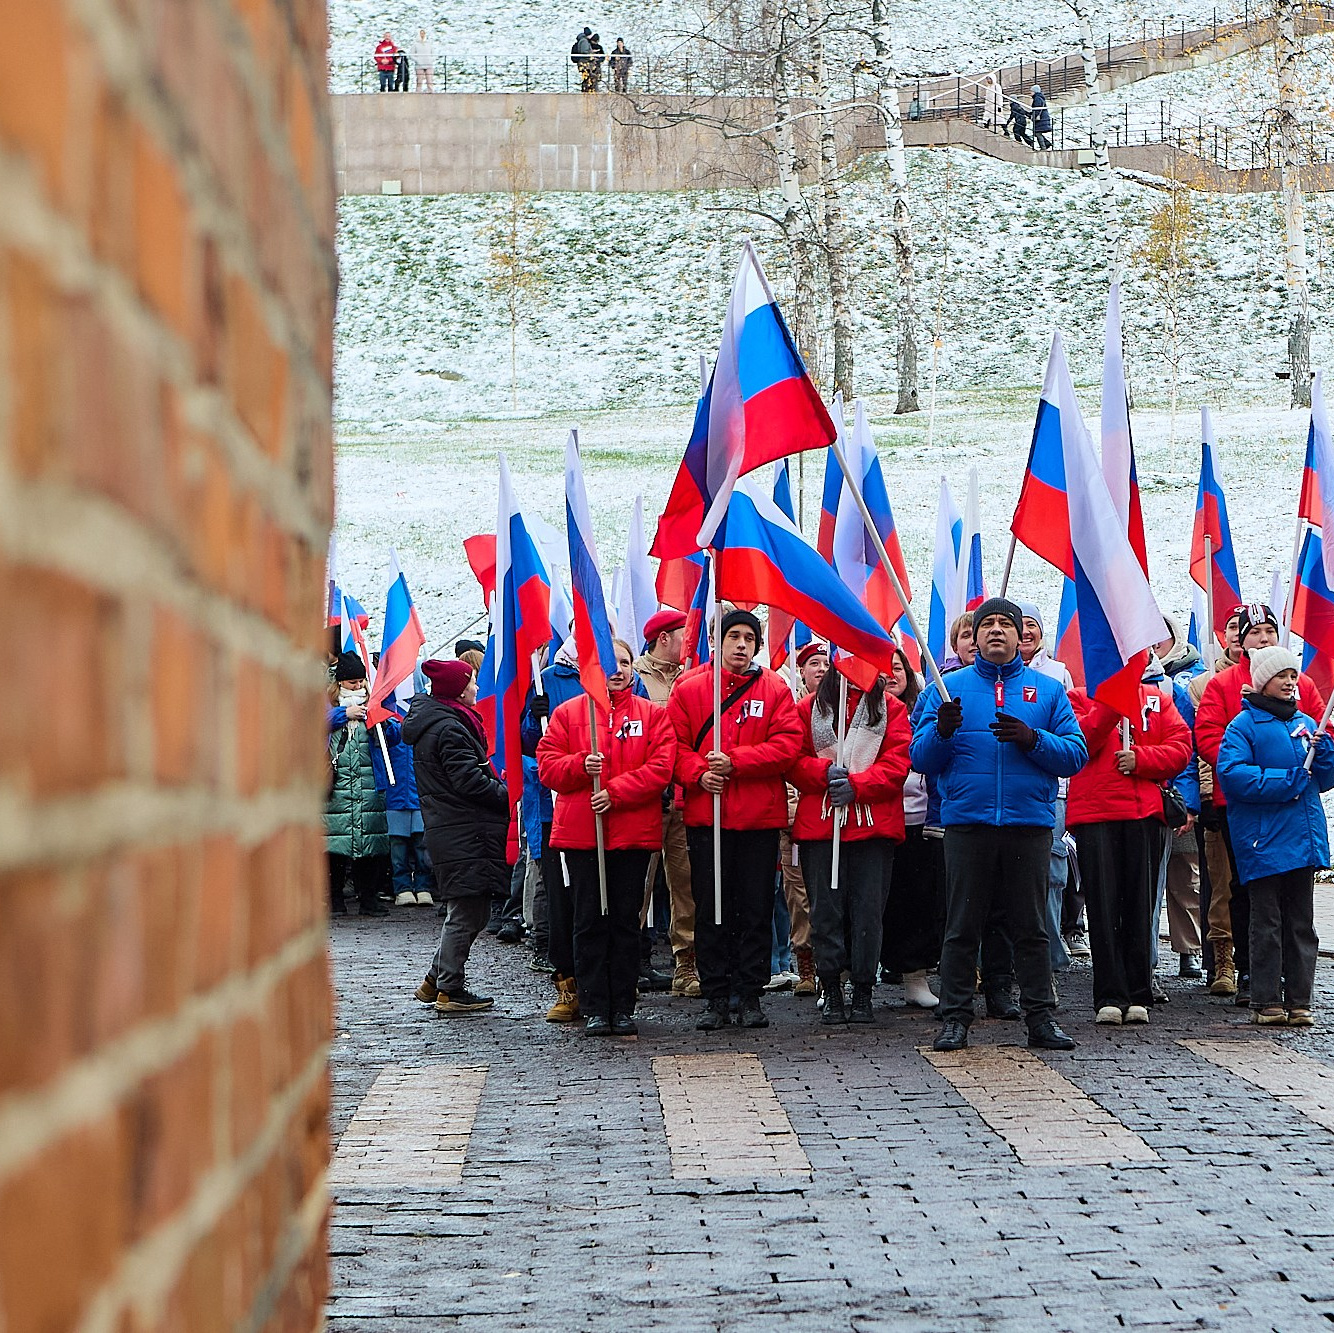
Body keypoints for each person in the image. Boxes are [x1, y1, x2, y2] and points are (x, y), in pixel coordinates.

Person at [911, 598, 1088, 1052]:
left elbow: (1075, 753)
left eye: (1003, 624)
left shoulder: (1047, 692)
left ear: (1019, 636)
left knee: (1030, 927)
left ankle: (1040, 1018)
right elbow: (920, 758)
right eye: (985, 624)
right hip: (968, 823)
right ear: (972, 636)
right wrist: (942, 732)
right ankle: (955, 1019)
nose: (994, 631)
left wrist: (1034, 739)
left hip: (1028, 823)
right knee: (961, 926)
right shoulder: (947, 689)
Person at [667, 609, 803, 1030]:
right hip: (708, 818)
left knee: (756, 908)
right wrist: (699, 774)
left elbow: (788, 745)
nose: (741, 645)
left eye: (749, 638)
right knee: (711, 907)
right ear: (717, 640)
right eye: (733, 636)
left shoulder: (775, 688)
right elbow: (672, 746)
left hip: (758, 818)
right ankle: (715, 994)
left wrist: (736, 762)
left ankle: (750, 993)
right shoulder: (690, 689)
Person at [537, 640, 677, 1036]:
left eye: (624, 662)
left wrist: (616, 792)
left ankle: (624, 1005)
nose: (617, 669)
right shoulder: (568, 715)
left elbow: (661, 768)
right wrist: (581, 765)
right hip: (583, 835)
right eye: (608, 663)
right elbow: (547, 767)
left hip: (632, 835)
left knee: (625, 922)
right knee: (588, 920)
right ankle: (596, 1003)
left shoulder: (652, 715)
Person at [1194, 603, 1325, 1007]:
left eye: (1270, 630)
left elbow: (1321, 729)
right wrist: (1272, 774)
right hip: (1245, 807)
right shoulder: (1223, 687)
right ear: (1241, 639)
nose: (1263, 637)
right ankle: (1248, 971)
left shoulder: (1301, 687)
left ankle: (1296, 991)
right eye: (1255, 632)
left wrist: (1322, 755)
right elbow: (1212, 741)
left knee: (1296, 909)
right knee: (1241, 891)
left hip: (1295, 814)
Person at [1066, 661, 1192, 1025]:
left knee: (1140, 903)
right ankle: (1108, 993)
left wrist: (1141, 759)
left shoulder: (1157, 699)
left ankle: (1138, 992)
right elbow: (1080, 743)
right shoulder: (1077, 699)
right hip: (1096, 813)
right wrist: (1112, 703)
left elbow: (1181, 748)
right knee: (1103, 907)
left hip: (1143, 815)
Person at [789, 656, 911, 1025]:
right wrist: (825, 773)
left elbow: (897, 764)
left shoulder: (891, 708)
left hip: (873, 827)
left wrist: (856, 785)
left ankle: (862, 989)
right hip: (822, 827)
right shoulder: (808, 708)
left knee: (868, 913)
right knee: (825, 913)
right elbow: (792, 758)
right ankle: (831, 987)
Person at [1217, 646, 1334, 1027]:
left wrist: (1328, 755)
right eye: (1282, 675)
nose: (1290, 681)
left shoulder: (1303, 724)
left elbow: (1322, 780)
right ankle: (1267, 999)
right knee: (1266, 921)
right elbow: (1233, 776)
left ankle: (1300, 999)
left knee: (1302, 923)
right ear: (1263, 680)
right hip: (1264, 840)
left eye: (1292, 675)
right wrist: (1287, 782)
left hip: (1301, 838)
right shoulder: (1242, 726)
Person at [407, 659, 509, 1014]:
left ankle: (435, 980)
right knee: (468, 911)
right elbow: (469, 781)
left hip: (455, 828)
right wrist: (507, 794)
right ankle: (449, 987)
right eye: (472, 684)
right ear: (458, 689)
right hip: (464, 830)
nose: (477, 689)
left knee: (472, 909)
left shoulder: (439, 723)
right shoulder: (449, 728)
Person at [633, 609, 698, 997]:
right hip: (644, 797)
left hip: (683, 797)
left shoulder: (692, 677)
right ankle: (630, 960)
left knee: (686, 883)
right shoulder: (634, 677)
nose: (689, 644)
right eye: (683, 636)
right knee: (638, 883)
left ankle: (685, 965)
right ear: (663, 639)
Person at [522, 636, 587, 1021]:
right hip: (557, 810)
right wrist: (535, 715)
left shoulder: (624, 680)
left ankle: (613, 982)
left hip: (614, 811)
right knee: (563, 900)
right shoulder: (548, 679)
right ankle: (568, 984)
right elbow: (530, 742)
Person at [1017, 601, 1083, 969]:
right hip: (1013, 788)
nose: (1026, 632)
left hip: (1054, 789)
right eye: (1020, 624)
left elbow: (1069, 733)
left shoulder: (1058, 673)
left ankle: (1052, 952)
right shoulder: (994, 677)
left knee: (1054, 870)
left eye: (1032, 625)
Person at [879, 648, 943, 1009]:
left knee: (916, 903)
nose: (891, 674)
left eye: (898, 666)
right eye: (884, 668)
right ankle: (846, 980)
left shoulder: (923, 708)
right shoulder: (858, 710)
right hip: (872, 820)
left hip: (918, 821)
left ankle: (914, 978)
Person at [327, 653, 391, 916]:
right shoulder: (328, 706)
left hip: (368, 788)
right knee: (334, 848)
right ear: (339, 684)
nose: (357, 687)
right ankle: (335, 901)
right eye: (351, 682)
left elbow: (395, 737)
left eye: (360, 681)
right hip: (335, 788)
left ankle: (369, 899)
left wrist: (380, 721)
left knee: (370, 846)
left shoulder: (373, 706)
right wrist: (343, 714)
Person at [375, 666, 434, 907]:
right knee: (397, 846)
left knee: (422, 845)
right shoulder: (384, 714)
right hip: (395, 791)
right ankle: (402, 887)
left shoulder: (426, 713)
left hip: (420, 790)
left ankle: (423, 886)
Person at [409, 28, 435, 92]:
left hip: (429, 65)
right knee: (419, 80)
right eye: (421, 33)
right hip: (419, 65)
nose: (422, 35)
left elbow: (434, 54)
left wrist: (431, 60)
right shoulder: (415, 44)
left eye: (423, 33)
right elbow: (411, 54)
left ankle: (431, 91)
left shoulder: (429, 44)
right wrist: (417, 60)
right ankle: (418, 92)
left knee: (430, 80)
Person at [571, 27, 594, 92]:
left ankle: (586, 89)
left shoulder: (582, 40)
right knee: (587, 77)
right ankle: (586, 90)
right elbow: (584, 51)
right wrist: (591, 54)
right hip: (584, 63)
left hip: (583, 62)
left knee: (586, 77)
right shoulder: (584, 41)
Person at [1030, 84, 1053, 149]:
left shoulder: (1037, 98)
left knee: (1037, 132)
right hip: (1043, 118)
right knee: (1037, 132)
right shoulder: (1039, 98)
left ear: (1035, 91)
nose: (1030, 93)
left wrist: (1034, 116)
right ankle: (1046, 144)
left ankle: (1043, 147)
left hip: (1041, 119)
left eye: (1031, 91)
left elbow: (1037, 109)